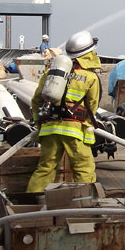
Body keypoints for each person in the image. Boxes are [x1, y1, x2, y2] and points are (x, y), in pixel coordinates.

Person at [26, 30, 101, 193]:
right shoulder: (90, 77)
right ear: (90, 53)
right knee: (83, 169)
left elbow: (36, 100)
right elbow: (92, 106)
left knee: (45, 168)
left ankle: (31, 204)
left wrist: (39, 122)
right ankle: (85, 203)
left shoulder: (51, 73)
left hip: (49, 128)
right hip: (74, 130)